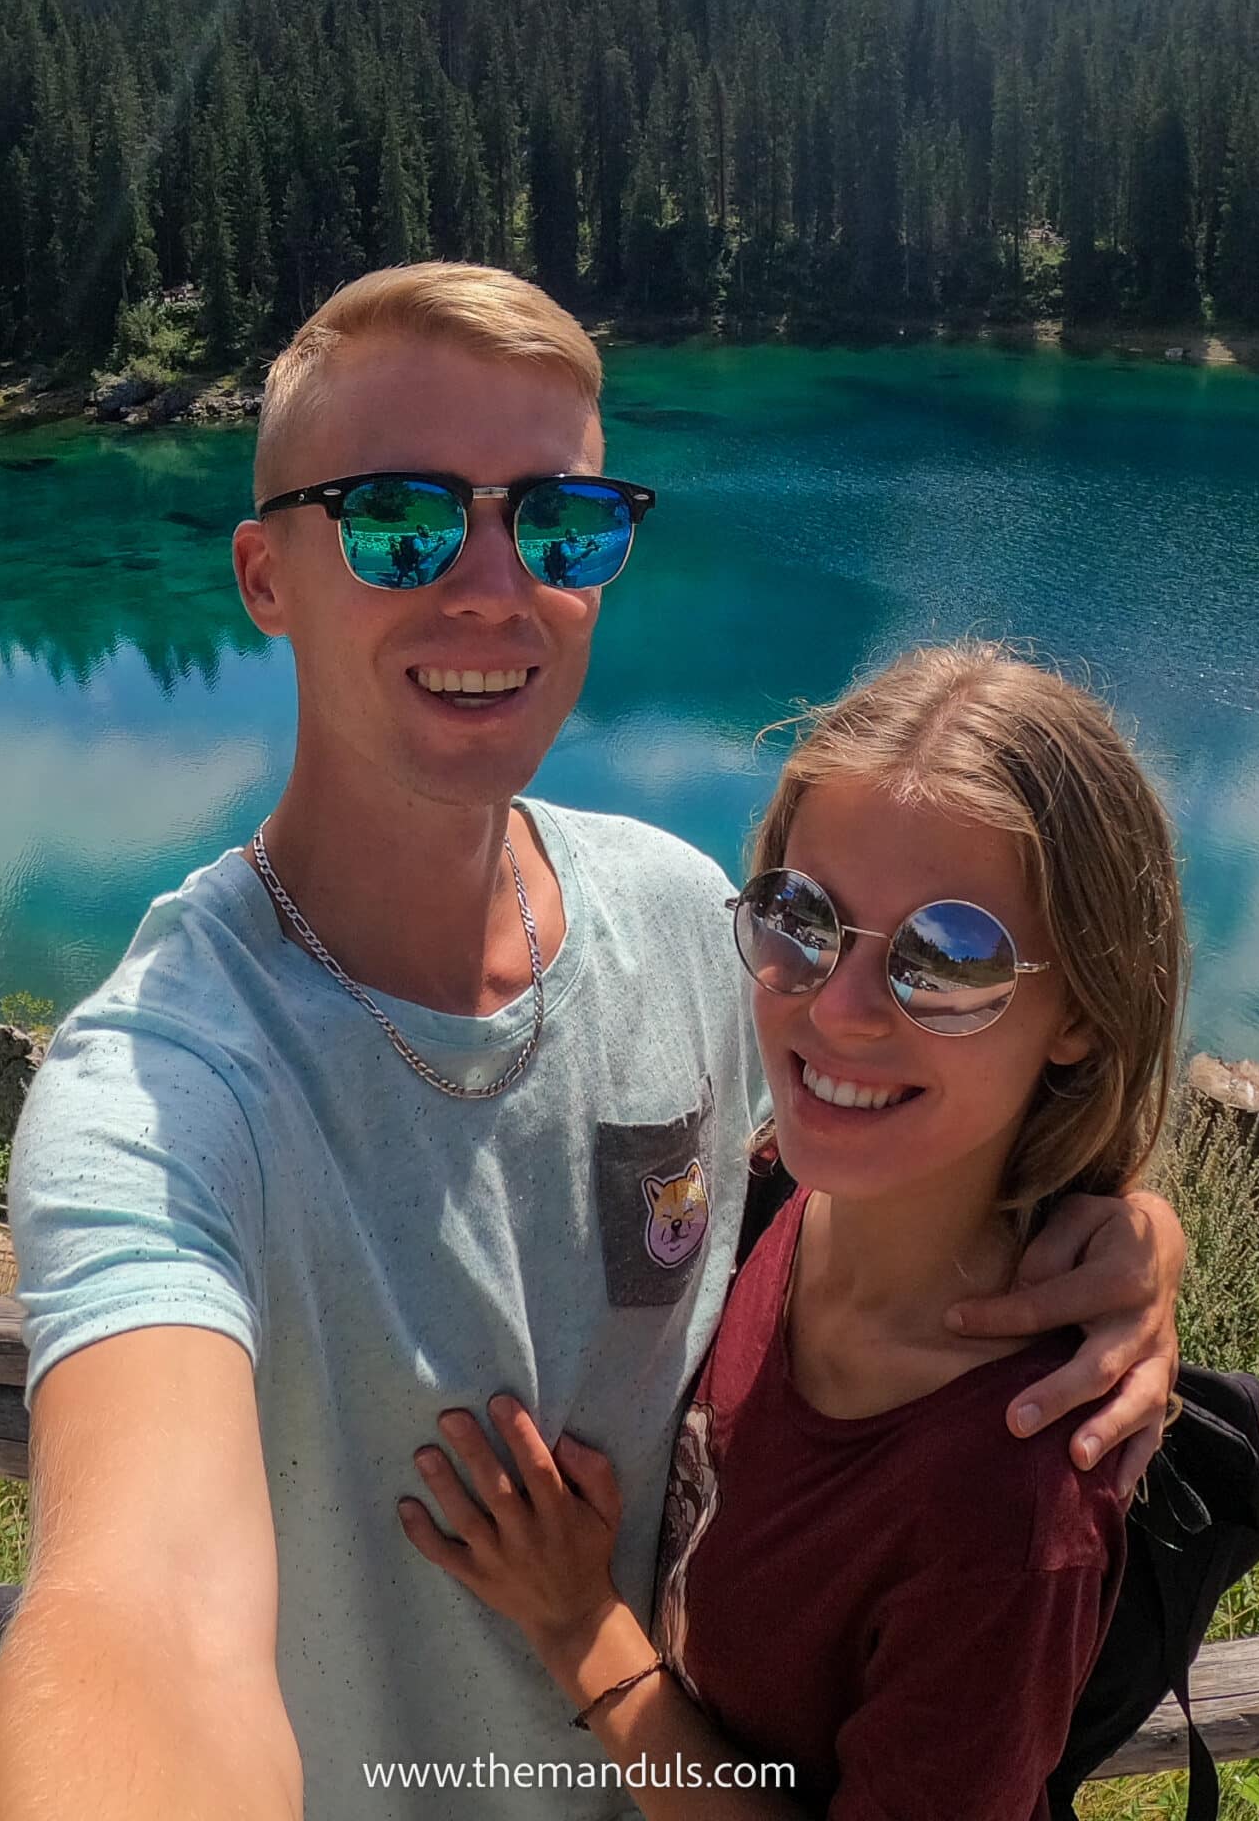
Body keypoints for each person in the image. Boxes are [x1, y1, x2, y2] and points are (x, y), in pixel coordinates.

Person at [0, 264, 1187, 1821]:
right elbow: (140, 1603)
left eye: (555, 522)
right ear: (264, 574)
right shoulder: (159, 1092)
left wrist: (1112, 1229)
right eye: (399, 519)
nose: (491, 587)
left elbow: (907, 1135)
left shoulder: (687, 922)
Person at [400, 643, 1188, 1817]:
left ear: (1082, 1005)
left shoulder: (1009, 1493)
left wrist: (582, 1631)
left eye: (949, 957)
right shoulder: (787, 1192)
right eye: (802, 918)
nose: (842, 1005)